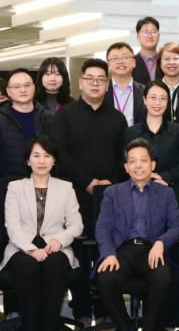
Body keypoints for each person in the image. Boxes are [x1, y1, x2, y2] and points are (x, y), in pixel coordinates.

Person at [94, 140, 179, 331]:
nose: (138, 166)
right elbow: (102, 228)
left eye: (143, 160)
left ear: (152, 165)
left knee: (163, 278)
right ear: (126, 167)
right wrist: (108, 254)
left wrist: (161, 242)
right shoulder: (112, 193)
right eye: (132, 161)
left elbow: (178, 226)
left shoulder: (166, 193)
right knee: (105, 279)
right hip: (121, 251)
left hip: (151, 249)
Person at [1, 137, 82, 331]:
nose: (42, 161)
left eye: (47, 156)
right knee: (27, 267)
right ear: (28, 161)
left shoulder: (65, 187)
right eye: (36, 155)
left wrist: (59, 240)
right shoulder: (15, 187)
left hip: (56, 246)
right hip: (21, 247)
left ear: (54, 160)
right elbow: (12, 226)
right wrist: (30, 249)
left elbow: (76, 224)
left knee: (55, 266)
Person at [49, 58, 128, 240]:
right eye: (89, 78)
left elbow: (124, 156)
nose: (95, 83)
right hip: (73, 192)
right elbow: (60, 153)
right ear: (80, 83)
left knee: (109, 241)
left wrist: (112, 181)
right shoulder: (64, 115)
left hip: (110, 193)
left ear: (107, 85)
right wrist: (87, 181)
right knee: (77, 243)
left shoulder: (118, 118)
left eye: (101, 79)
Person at [125, 81, 179, 233]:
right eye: (153, 98)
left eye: (163, 98)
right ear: (144, 100)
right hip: (139, 196)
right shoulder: (130, 133)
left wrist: (164, 177)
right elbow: (123, 164)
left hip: (173, 193)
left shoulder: (178, 130)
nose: (157, 103)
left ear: (168, 102)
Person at [0, 68, 55, 209]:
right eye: (17, 86)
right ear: (8, 92)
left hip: (46, 190)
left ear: (34, 87)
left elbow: (57, 154)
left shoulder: (49, 118)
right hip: (9, 193)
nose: (23, 90)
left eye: (27, 85)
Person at [106, 42, 146, 128]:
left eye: (125, 57)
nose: (120, 61)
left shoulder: (146, 91)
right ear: (108, 66)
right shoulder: (100, 91)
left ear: (134, 62)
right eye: (115, 58)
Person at [157, 42, 179, 120]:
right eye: (167, 59)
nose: (171, 62)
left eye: (176, 58)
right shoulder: (153, 89)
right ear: (160, 63)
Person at [133, 16, 162, 84]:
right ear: (138, 37)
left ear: (159, 36)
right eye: (145, 32)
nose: (150, 36)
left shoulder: (165, 60)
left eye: (153, 32)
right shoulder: (131, 62)